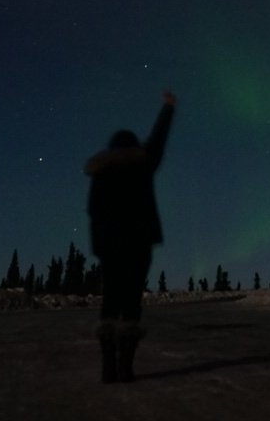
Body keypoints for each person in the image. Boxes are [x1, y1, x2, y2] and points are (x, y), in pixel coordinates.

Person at [85, 90, 176, 383]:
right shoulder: (142, 164)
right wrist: (167, 109)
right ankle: (126, 366)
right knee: (131, 302)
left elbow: (93, 211)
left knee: (111, 301)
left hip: (110, 247)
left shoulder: (101, 173)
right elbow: (158, 141)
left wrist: (99, 246)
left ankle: (108, 366)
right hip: (139, 244)